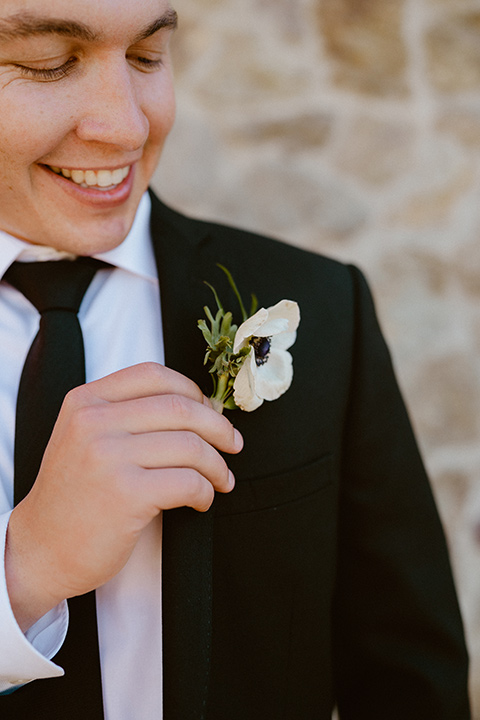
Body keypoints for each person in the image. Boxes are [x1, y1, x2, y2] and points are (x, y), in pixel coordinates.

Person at [0, 0, 471, 718]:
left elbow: (410, 674)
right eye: (50, 64)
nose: (127, 125)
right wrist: (24, 572)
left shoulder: (318, 305)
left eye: (148, 58)